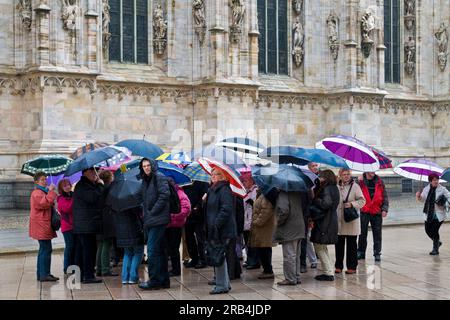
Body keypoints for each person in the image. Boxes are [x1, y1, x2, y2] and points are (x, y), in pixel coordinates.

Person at [138, 158, 171, 290]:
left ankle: (155, 280)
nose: (146, 168)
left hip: (158, 219)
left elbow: (164, 195)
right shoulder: (145, 180)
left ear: (153, 165)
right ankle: (163, 280)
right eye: (144, 166)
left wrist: (152, 211)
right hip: (151, 220)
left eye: (148, 165)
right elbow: (144, 199)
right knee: (159, 250)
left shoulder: (159, 177)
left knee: (152, 250)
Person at [205, 168, 236, 294]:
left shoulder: (224, 189)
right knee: (219, 255)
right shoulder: (213, 189)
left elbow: (226, 209)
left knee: (219, 256)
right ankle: (224, 283)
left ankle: (222, 285)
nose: (213, 176)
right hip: (215, 228)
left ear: (223, 177)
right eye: (211, 174)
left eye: (216, 174)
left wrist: (216, 224)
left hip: (222, 229)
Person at [73, 167, 105, 284]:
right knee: (88, 251)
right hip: (85, 225)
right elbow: (92, 198)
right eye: (91, 171)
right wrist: (100, 185)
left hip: (87, 224)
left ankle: (81, 275)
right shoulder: (83, 185)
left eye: (95, 171)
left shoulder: (88, 184)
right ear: (84, 172)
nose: (94, 173)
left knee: (84, 250)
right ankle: (88, 275)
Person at [310, 170, 340, 281]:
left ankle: (328, 273)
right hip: (330, 220)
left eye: (320, 176)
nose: (319, 178)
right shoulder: (334, 187)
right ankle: (329, 270)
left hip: (324, 221)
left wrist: (315, 199)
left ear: (325, 177)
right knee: (322, 247)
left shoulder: (327, 188)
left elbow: (326, 203)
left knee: (319, 246)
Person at [29, 171, 59, 282]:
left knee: (44, 249)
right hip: (41, 224)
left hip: (43, 224)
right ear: (36, 181)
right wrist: (51, 192)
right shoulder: (37, 192)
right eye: (42, 179)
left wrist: (50, 193)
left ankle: (42, 273)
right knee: (46, 249)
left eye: (45, 179)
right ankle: (44, 274)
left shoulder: (42, 191)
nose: (45, 181)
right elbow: (43, 204)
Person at [335, 169, 366, 275]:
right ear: (340, 175)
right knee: (339, 245)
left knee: (351, 245)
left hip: (351, 220)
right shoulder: (337, 186)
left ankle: (352, 266)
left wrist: (352, 204)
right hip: (339, 220)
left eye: (348, 174)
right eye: (344, 174)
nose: (346, 176)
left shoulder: (355, 186)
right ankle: (338, 266)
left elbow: (362, 201)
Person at [273, 190, 306, 286]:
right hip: (299, 226)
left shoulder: (283, 193)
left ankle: (290, 278)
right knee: (296, 255)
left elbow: (283, 210)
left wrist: (278, 221)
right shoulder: (297, 192)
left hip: (289, 228)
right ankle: (296, 276)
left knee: (289, 255)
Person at [357, 172, 389, 262]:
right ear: (366, 171)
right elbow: (354, 193)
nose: (373, 172)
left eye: (374, 170)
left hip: (377, 211)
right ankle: (361, 252)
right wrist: (358, 181)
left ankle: (377, 253)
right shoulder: (360, 181)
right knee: (362, 233)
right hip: (364, 211)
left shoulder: (380, 181)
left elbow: (385, 196)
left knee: (377, 234)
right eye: (371, 170)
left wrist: (384, 209)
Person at [416, 173, 450, 255]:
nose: (436, 181)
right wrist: (419, 196)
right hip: (428, 213)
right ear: (430, 181)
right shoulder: (426, 189)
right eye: (434, 180)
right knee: (428, 231)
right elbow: (422, 199)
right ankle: (437, 242)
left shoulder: (442, 189)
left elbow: (449, 196)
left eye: (437, 180)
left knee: (434, 231)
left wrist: (446, 202)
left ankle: (435, 249)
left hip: (439, 214)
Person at [250, 188, 278, 279]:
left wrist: (257, 221)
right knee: (263, 249)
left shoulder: (267, 194)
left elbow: (266, 211)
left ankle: (268, 270)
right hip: (262, 228)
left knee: (264, 249)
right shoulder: (263, 193)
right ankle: (267, 269)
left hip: (264, 228)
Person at [166, 178, 191, 277]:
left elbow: (186, 209)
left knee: (174, 248)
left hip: (175, 225)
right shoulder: (169, 194)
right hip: (168, 225)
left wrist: (172, 216)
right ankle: (173, 268)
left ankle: (176, 269)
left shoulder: (180, 194)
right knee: (170, 248)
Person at [113, 206, 145, 284]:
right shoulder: (132, 201)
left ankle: (125, 278)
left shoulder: (116, 202)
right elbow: (139, 212)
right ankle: (133, 278)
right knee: (138, 252)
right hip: (134, 230)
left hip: (122, 232)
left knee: (127, 254)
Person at [95, 170, 118, 277]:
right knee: (106, 244)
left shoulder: (99, 187)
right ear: (109, 178)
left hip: (101, 218)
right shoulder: (108, 188)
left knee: (101, 244)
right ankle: (105, 269)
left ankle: (99, 268)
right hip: (107, 218)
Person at [183, 181, 209, 269]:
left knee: (200, 238)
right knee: (189, 238)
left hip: (199, 215)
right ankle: (194, 258)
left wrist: (197, 206)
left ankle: (203, 259)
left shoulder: (202, 182)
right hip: (188, 215)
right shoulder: (185, 182)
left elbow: (205, 195)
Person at [240, 173, 259, 269]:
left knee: (252, 243)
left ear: (252, 181)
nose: (244, 183)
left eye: (246, 181)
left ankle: (254, 261)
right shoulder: (245, 191)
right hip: (245, 220)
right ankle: (249, 259)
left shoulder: (255, 190)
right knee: (247, 242)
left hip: (252, 220)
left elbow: (256, 204)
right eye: (243, 181)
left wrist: (250, 201)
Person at [57, 178, 75, 275]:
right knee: (69, 247)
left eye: (68, 185)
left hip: (75, 226)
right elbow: (67, 209)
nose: (67, 187)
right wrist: (74, 200)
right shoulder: (61, 198)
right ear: (61, 188)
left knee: (75, 247)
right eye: (65, 186)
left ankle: (74, 266)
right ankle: (66, 267)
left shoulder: (73, 195)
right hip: (67, 227)